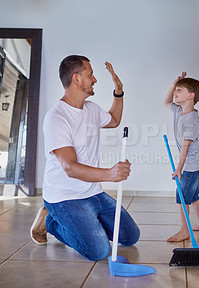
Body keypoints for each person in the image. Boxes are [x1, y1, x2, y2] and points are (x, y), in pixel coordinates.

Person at [30, 55, 140, 261]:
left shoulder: (91, 109)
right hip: (64, 197)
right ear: (76, 79)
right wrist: (110, 174)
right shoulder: (57, 118)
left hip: (92, 192)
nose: (95, 79)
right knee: (98, 251)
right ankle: (51, 221)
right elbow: (70, 167)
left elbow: (114, 120)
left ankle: (87, 224)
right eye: (90, 75)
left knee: (130, 236)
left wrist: (119, 92)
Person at [163, 72, 199, 242]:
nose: (175, 92)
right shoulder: (178, 111)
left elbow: (185, 148)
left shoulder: (191, 120)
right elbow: (166, 102)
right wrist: (175, 82)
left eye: (179, 90)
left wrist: (178, 169)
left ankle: (184, 230)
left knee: (182, 195)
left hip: (191, 163)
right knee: (194, 194)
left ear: (191, 96)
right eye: (175, 90)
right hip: (194, 162)